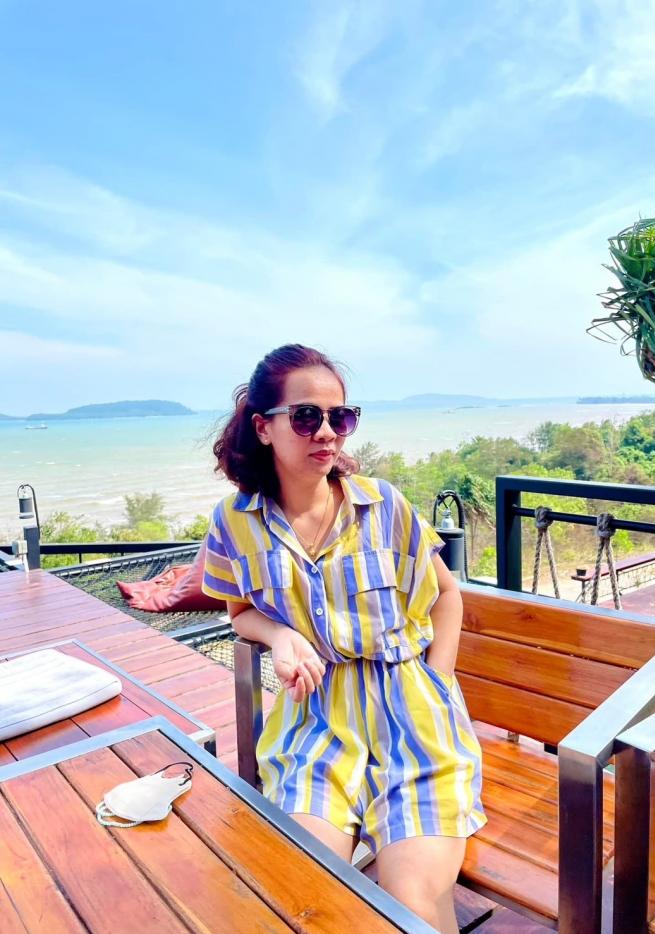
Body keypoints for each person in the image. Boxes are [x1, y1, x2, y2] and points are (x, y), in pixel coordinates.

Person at [202, 344, 485, 933]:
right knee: (306, 891)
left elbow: (447, 594)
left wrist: (439, 681)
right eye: (307, 416)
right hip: (315, 723)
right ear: (263, 426)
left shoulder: (383, 505)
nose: (327, 432)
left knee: (413, 900)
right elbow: (239, 612)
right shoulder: (234, 521)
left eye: (341, 416)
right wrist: (280, 635)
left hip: (414, 719)